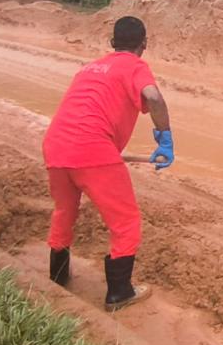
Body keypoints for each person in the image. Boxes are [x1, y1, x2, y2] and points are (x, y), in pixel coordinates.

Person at [42, 17, 175, 313]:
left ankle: (58, 275)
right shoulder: (135, 66)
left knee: (65, 211)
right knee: (125, 222)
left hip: (56, 145)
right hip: (92, 151)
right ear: (144, 44)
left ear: (112, 42)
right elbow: (152, 95)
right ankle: (119, 293)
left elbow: (87, 113)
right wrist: (165, 139)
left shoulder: (90, 67)